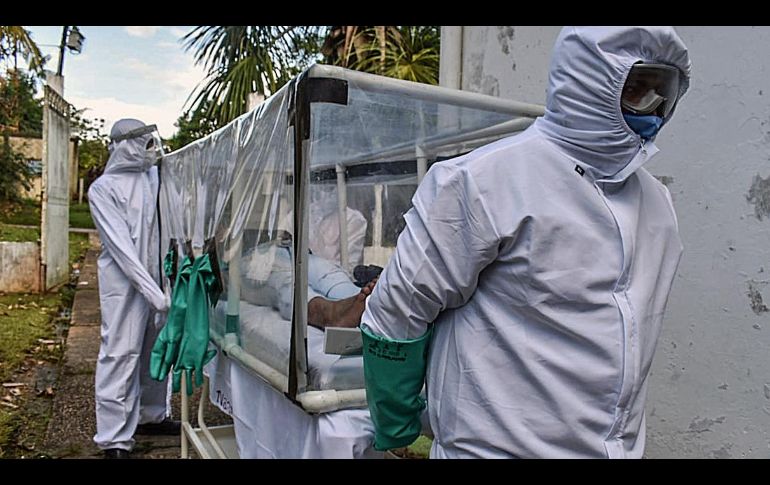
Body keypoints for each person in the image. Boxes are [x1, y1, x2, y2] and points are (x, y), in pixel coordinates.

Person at [359, 26, 691, 458]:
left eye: (660, 93)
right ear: (589, 79)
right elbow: (397, 313)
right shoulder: (482, 183)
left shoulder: (657, 205)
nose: (651, 109)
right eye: (636, 89)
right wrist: (398, 426)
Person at [88, 118, 179, 459]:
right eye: (145, 142)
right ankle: (114, 438)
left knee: (155, 351)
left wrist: (165, 286)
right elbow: (122, 250)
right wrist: (155, 295)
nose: (152, 148)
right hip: (125, 288)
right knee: (120, 354)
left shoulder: (155, 177)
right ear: (126, 146)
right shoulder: (103, 189)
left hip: (159, 282)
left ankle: (152, 416)